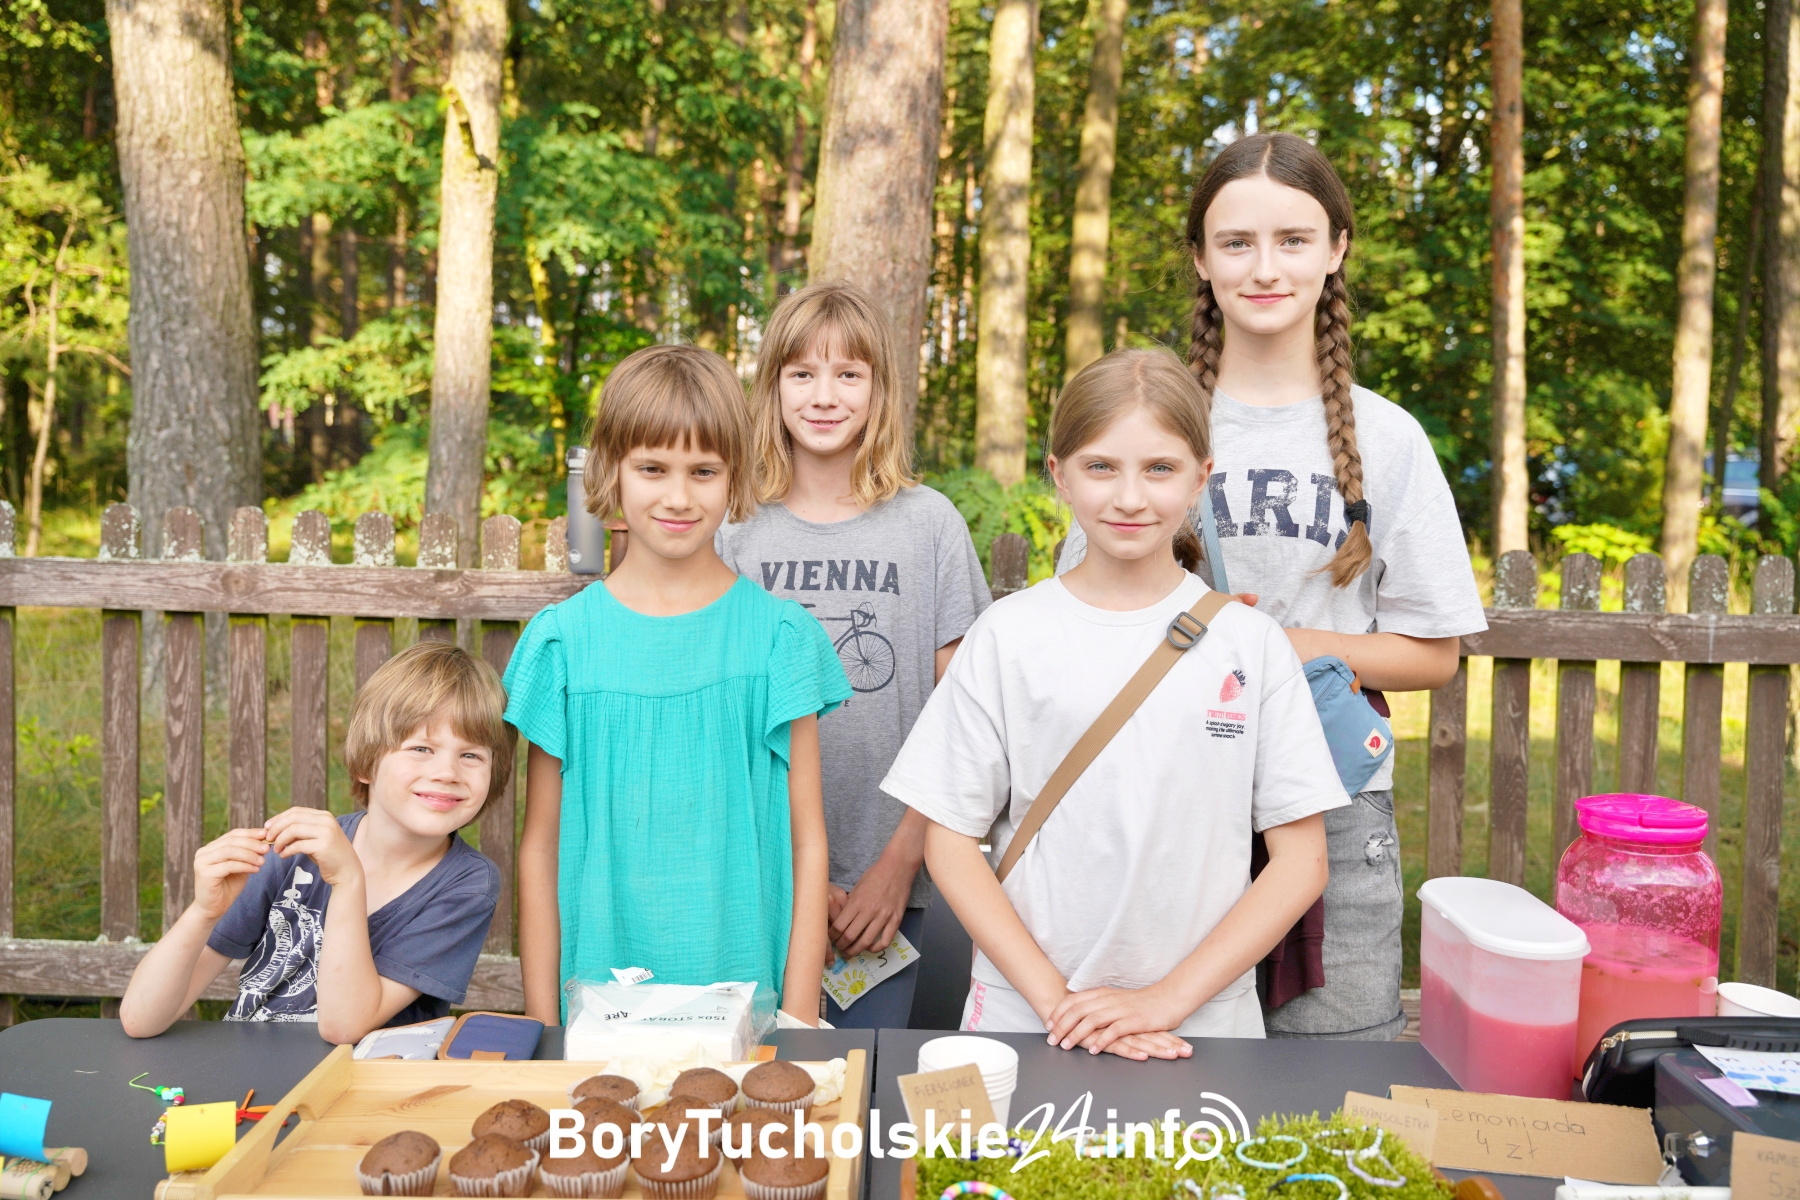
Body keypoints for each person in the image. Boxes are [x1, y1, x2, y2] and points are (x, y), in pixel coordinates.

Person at [1058, 132, 1487, 1040]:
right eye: (1236, 242)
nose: (1265, 267)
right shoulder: (1146, 419)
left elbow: (1437, 656)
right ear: (1200, 259)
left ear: (1337, 251)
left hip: (1333, 805)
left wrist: (1280, 648)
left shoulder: (1390, 439)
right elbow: (1081, 616)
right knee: (1157, 1066)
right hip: (1166, 796)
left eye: (1294, 240)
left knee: (1330, 1088)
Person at [884, 348, 1347, 1059]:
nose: (1130, 497)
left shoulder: (1251, 646)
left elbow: (1300, 861)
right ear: (1059, 476)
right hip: (1027, 1021)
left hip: (1202, 1029)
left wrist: (1166, 1001)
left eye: (1159, 468)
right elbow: (949, 840)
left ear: (1202, 477)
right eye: (1101, 467)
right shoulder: (1007, 635)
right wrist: (1057, 1002)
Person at [507, 344, 850, 1026]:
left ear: (735, 477)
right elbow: (540, 846)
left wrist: (802, 1018)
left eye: (703, 471)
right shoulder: (563, 644)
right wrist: (544, 1025)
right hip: (596, 1013)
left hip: (746, 1012)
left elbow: (808, 842)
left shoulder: (778, 639)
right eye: (652, 468)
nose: (677, 496)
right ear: (610, 472)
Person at [716, 280, 990, 1029]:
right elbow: (724, 720)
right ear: (771, 388)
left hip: (898, 886)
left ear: (880, 389)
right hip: (764, 878)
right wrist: (802, 875)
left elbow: (967, 718)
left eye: (848, 374)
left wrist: (902, 862)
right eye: (801, 373)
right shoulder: (735, 532)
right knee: (771, 1096)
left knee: (873, 1094)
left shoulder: (927, 525)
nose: (824, 395)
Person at [120, 641, 509, 1042]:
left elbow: (343, 1027)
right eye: (421, 748)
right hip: (247, 1084)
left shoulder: (467, 884)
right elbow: (140, 1020)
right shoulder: (295, 852)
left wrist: (348, 881)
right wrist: (203, 912)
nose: (446, 771)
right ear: (365, 765)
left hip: (362, 1094)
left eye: (472, 756)